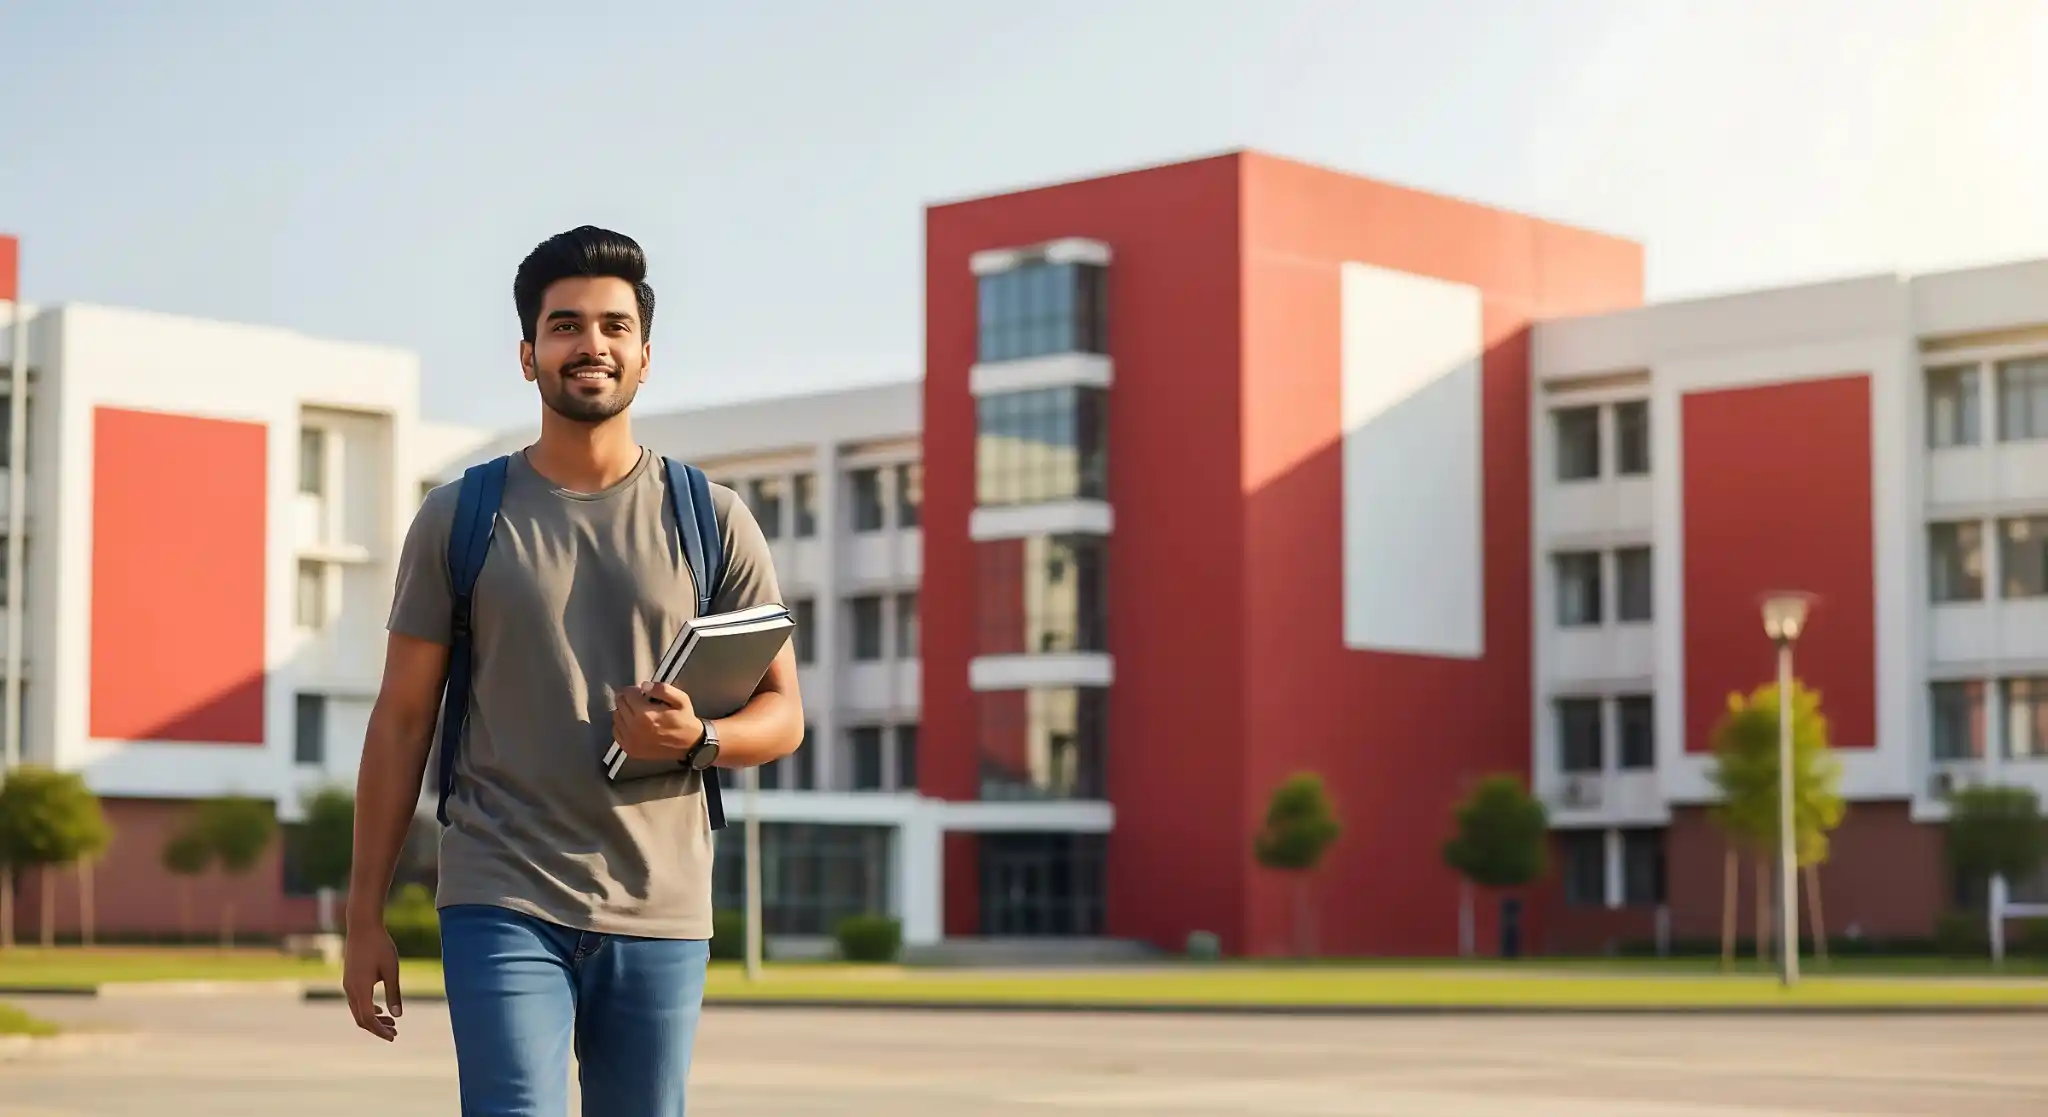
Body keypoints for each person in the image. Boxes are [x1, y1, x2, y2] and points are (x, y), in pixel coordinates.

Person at [341, 225, 804, 1116]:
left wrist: (700, 737)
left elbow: (783, 713)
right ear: (528, 355)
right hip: (500, 887)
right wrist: (364, 913)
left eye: (613, 326)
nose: (590, 343)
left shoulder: (713, 517)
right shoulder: (460, 516)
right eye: (564, 325)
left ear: (643, 355)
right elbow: (401, 723)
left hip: (661, 902)